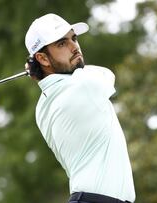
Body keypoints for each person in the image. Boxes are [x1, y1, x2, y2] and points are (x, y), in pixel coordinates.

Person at [24, 13, 135, 203]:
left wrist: (39, 71)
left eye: (73, 38)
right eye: (62, 43)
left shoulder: (42, 105)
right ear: (42, 58)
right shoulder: (83, 85)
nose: (74, 47)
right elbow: (107, 75)